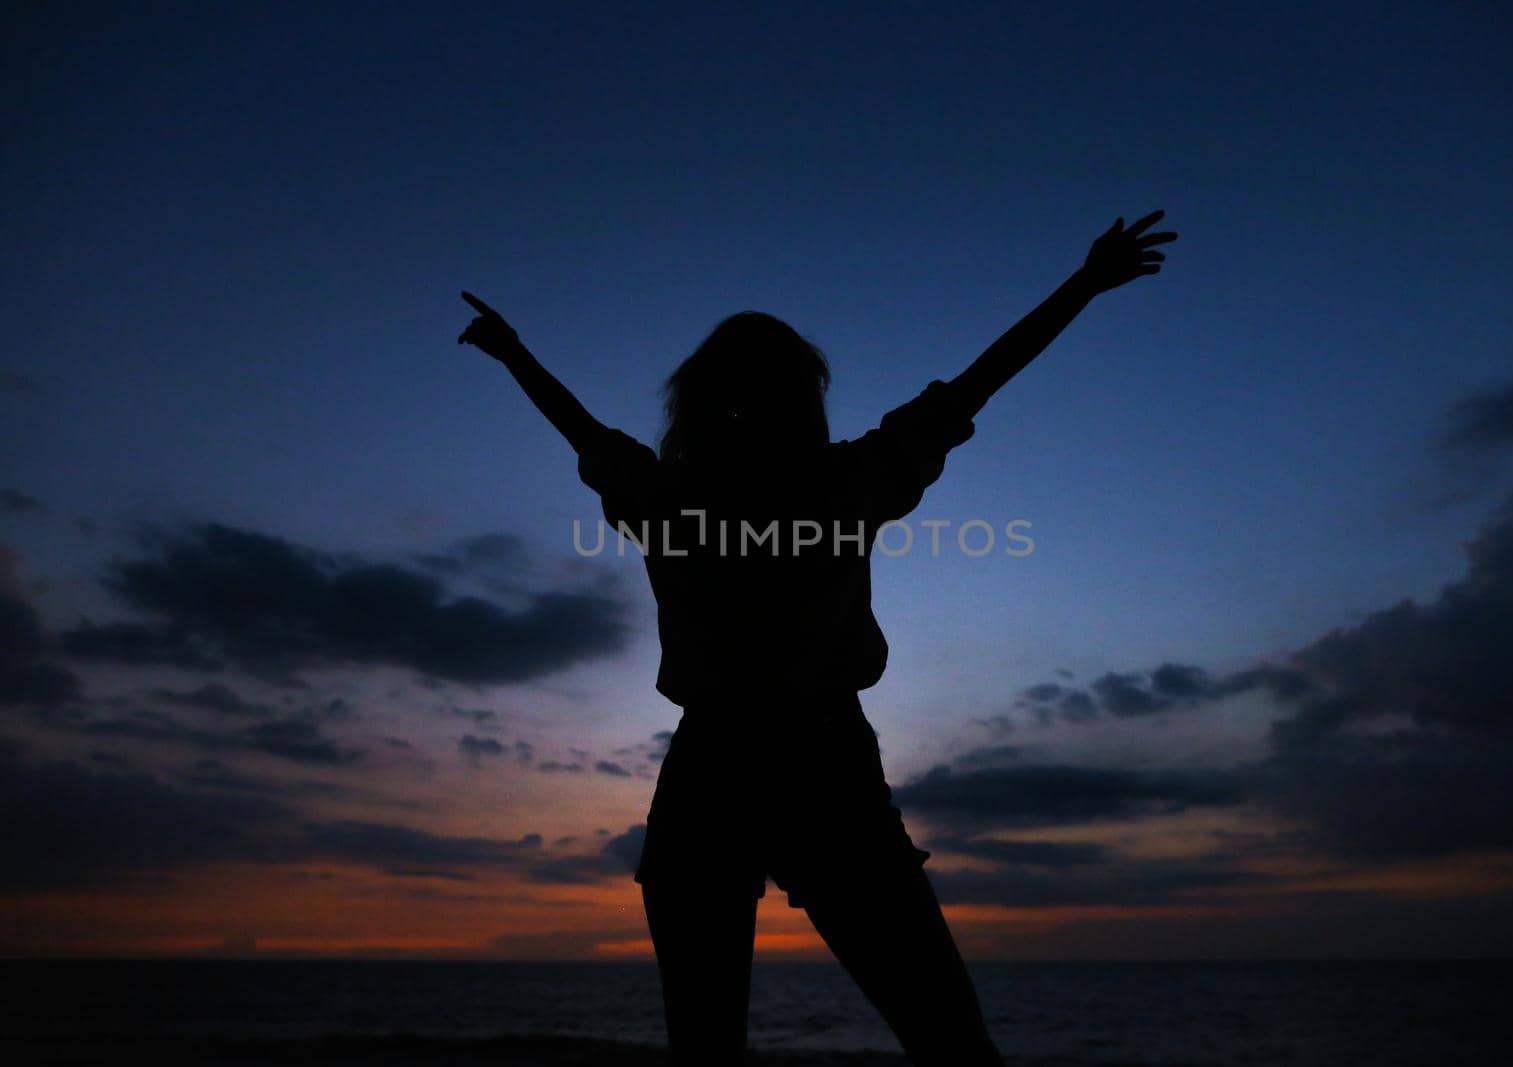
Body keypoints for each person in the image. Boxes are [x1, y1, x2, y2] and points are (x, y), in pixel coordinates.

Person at [457, 210, 1176, 1065]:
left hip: (724, 767)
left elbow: (577, 426)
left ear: (703, 400)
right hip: (813, 763)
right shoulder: (840, 482)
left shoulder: (675, 499)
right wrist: (1084, 285)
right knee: (946, 1037)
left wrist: (513, 354)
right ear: (804, 396)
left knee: (723, 1048)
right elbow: (976, 383)